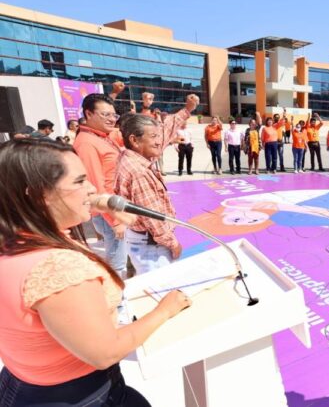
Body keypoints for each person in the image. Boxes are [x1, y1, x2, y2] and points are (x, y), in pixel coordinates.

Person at [0, 139, 190, 406]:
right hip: (82, 395)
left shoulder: (13, 240)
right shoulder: (59, 268)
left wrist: (93, 203)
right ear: (38, 195)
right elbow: (105, 351)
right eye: (79, 182)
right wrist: (165, 310)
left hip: (23, 384)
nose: (91, 188)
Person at [116, 114, 184, 275]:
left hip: (140, 239)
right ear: (135, 140)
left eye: (158, 136)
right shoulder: (139, 172)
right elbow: (154, 217)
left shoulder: (129, 157)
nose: (159, 141)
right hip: (152, 246)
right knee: (162, 287)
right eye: (153, 136)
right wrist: (173, 244)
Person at [73, 93, 128, 277]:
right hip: (108, 213)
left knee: (122, 256)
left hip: (116, 206)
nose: (112, 119)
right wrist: (116, 220)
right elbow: (96, 187)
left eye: (114, 115)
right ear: (88, 114)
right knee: (117, 263)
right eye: (106, 115)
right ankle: (118, 303)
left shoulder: (102, 136)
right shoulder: (87, 144)